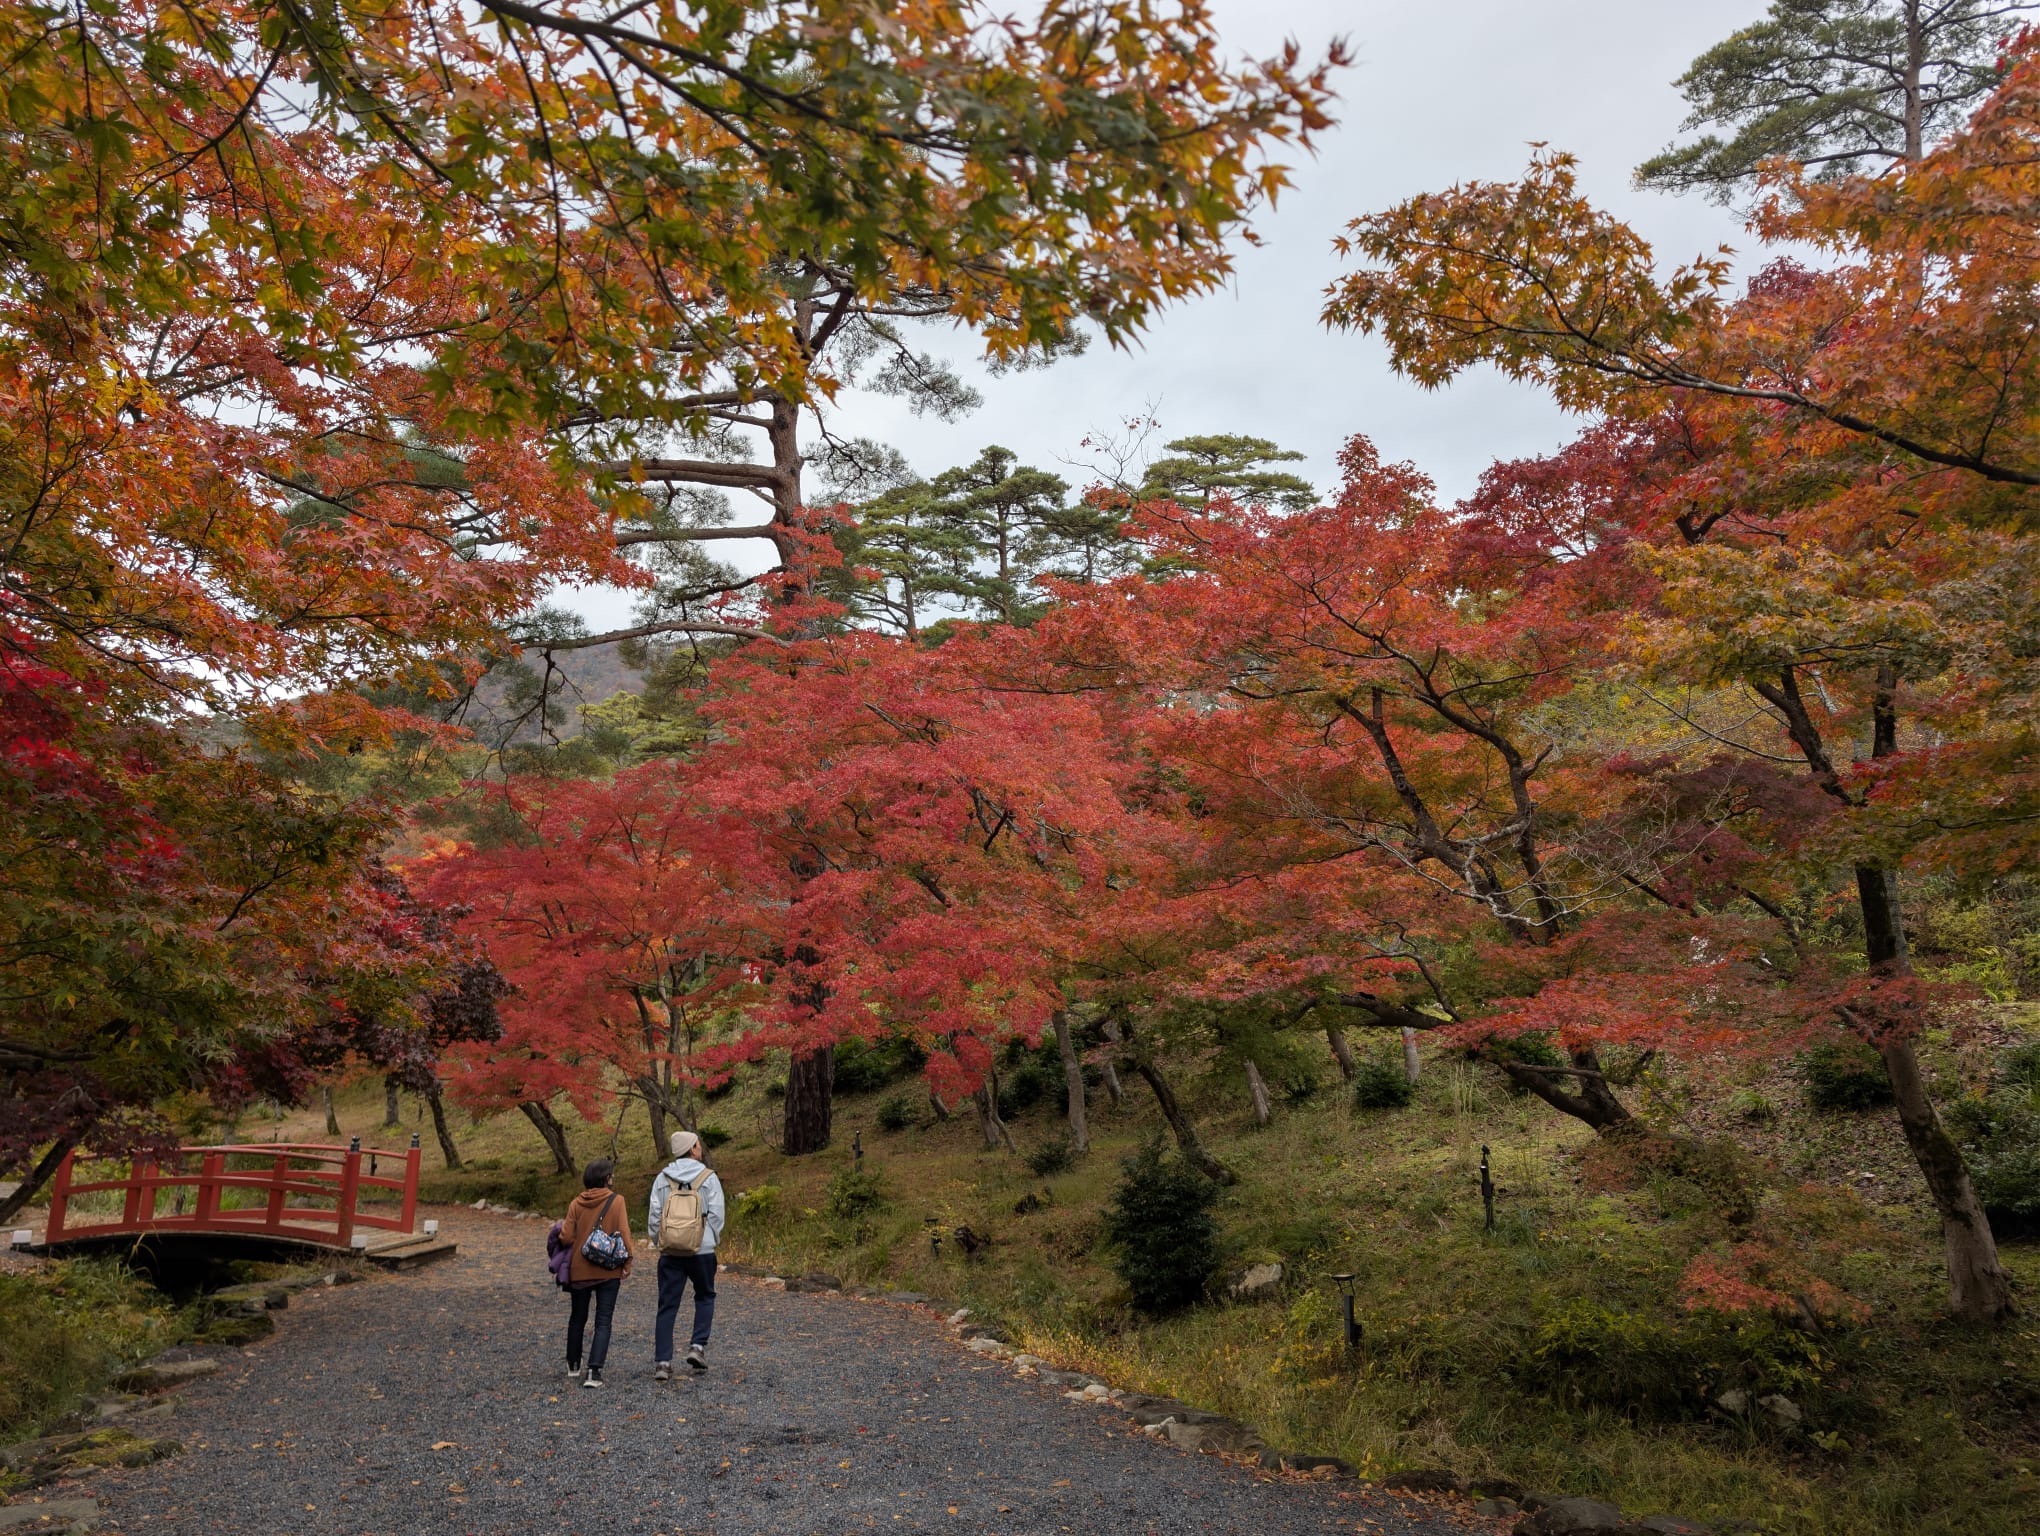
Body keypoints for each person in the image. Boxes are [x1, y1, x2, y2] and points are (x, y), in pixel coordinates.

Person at [648, 1129, 726, 1379]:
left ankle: (662, 1362)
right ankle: (697, 1346)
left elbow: (654, 1216)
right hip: (702, 1250)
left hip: (671, 1251)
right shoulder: (708, 1178)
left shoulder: (662, 1178)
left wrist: (660, 1241)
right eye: (698, 1145)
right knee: (704, 1296)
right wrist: (709, 1239)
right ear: (692, 1149)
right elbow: (717, 1214)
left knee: (667, 1304)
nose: (700, 1149)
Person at [560, 1157, 632, 1388]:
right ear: (606, 1178)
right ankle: (594, 1372)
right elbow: (624, 1233)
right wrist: (627, 1261)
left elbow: (566, 1237)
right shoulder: (617, 1201)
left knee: (577, 1317)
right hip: (608, 1269)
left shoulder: (575, 1203)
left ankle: (573, 1364)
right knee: (603, 1320)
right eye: (611, 1174)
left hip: (579, 1269)